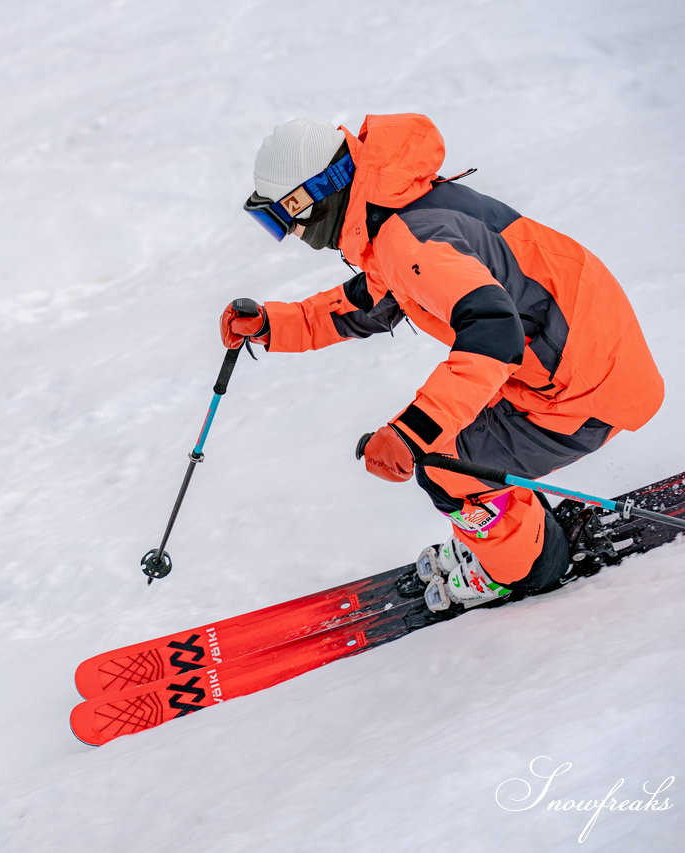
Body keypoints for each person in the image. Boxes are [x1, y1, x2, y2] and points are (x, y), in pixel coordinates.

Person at [222, 113, 663, 612]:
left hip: (580, 388)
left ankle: (528, 567)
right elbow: (372, 301)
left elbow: (493, 334)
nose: (290, 233)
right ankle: (503, 526)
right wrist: (273, 325)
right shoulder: (396, 212)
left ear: (312, 199)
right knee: (454, 450)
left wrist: (410, 434)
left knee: (445, 467)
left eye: (280, 218)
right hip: (569, 358)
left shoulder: (409, 238)